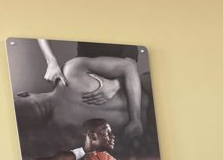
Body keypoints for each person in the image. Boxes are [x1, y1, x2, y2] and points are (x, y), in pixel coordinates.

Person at [15, 54, 146, 146]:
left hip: (153, 91)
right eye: (19, 120)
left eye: (16, 110)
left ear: (23, 94)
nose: (19, 115)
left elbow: (128, 66)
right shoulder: (63, 131)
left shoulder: (71, 71)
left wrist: (135, 118)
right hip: (150, 128)